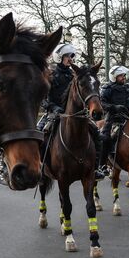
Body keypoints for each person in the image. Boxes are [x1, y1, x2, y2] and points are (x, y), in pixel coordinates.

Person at [37, 43, 105, 179]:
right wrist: (54, 108)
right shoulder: (51, 75)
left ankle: (96, 168)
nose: (71, 59)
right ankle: (40, 168)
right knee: (39, 134)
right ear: (59, 57)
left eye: (72, 56)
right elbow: (43, 99)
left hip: (76, 114)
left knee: (97, 134)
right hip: (54, 113)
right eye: (67, 56)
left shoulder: (76, 76)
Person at [98, 67, 129, 173]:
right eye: (121, 76)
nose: (124, 78)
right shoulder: (108, 89)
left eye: (124, 76)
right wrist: (115, 107)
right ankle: (102, 165)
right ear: (114, 77)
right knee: (105, 138)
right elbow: (102, 103)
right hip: (113, 119)